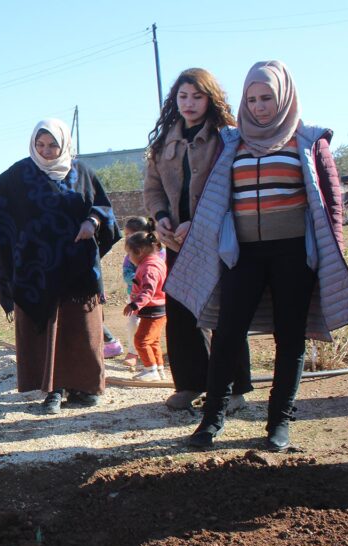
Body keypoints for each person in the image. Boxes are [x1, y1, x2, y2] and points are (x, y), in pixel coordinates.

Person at [165, 61, 348, 451]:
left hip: (293, 254)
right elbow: (209, 188)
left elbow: (332, 202)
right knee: (227, 334)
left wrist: (333, 253)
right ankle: (211, 420)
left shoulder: (309, 141)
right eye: (252, 99)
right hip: (242, 256)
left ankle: (279, 422)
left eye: (267, 98)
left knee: (290, 338)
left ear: (285, 96)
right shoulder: (231, 142)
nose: (259, 107)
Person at [0, 119, 120, 414]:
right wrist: (12, 245)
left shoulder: (83, 173)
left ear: (64, 144)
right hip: (35, 269)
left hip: (77, 267)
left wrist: (92, 222)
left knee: (79, 326)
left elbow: (104, 208)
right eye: (40, 145)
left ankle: (84, 386)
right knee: (46, 328)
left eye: (52, 144)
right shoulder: (19, 174)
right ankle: (52, 390)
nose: (46, 151)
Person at [142, 67, 254, 412]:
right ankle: (191, 383)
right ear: (174, 100)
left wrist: (199, 222)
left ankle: (234, 389)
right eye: (183, 96)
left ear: (210, 98)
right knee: (181, 311)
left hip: (220, 239)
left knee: (225, 312)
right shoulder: (163, 143)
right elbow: (153, 188)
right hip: (176, 242)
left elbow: (234, 185)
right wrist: (161, 220)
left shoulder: (229, 137)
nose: (189, 103)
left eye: (197, 96)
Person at [122, 227, 167, 381]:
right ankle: (158, 368)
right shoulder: (156, 262)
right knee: (153, 340)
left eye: (129, 253)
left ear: (139, 251)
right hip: (158, 309)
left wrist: (135, 305)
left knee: (141, 340)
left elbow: (148, 290)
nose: (129, 257)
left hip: (152, 310)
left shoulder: (149, 268)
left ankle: (150, 370)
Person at [119, 216, 158, 368]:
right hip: (135, 297)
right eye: (126, 234)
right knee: (133, 323)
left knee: (152, 326)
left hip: (155, 299)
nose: (127, 237)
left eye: (130, 234)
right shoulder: (129, 256)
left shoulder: (158, 254)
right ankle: (132, 352)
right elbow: (126, 275)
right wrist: (141, 279)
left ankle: (152, 359)